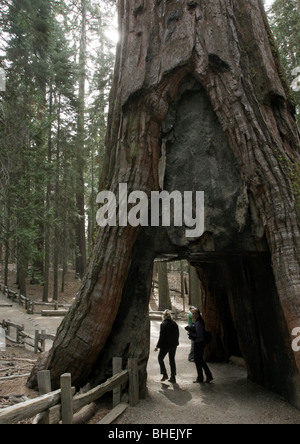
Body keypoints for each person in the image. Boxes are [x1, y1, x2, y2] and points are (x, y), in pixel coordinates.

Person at [154, 309, 179, 384]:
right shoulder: (174, 323)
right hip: (173, 344)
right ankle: (173, 376)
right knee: (172, 359)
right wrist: (176, 342)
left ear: (164, 316)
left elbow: (162, 336)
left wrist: (157, 346)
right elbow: (177, 334)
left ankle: (164, 373)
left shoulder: (163, 324)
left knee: (160, 358)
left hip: (165, 345)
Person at [191, 308, 213, 384]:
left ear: (197, 314)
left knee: (198, 360)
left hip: (199, 343)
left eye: (194, 314)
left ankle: (201, 377)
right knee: (200, 360)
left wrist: (192, 334)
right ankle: (207, 376)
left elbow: (199, 334)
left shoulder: (198, 322)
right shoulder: (199, 321)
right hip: (200, 342)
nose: (193, 315)